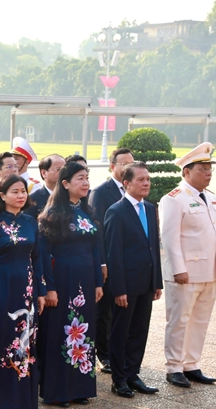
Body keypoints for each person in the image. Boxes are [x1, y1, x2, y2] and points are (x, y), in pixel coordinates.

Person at [0, 174, 46, 409]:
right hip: (2, 287)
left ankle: (23, 401)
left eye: (23, 191)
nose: (20, 196)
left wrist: (40, 291)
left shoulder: (31, 222)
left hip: (27, 288)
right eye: (15, 191)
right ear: (2, 195)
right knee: (4, 340)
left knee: (26, 341)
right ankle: (3, 401)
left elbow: (37, 258)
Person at [159, 142, 216, 388]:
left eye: (210, 169)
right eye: (202, 168)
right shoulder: (174, 199)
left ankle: (192, 364)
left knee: (200, 320)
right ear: (187, 172)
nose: (208, 173)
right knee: (179, 320)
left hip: (209, 270)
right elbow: (169, 237)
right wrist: (178, 269)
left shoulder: (211, 197)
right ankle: (174, 366)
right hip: (185, 272)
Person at [38, 162, 103, 407]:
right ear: (65, 184)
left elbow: (96, 249)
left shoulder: (88, 213)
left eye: (87, 178)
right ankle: (58, 392)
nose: (86, 183)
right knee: (60, 332)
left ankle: (80, 387)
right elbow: (44, 254)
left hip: (85, 281)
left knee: (84, 332)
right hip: (63, 280)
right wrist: (49, 288)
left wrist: (98, 282)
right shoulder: (52, 215)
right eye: (80, 178)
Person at [104, 162, 162, 398]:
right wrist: (118, 289)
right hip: (125, 285)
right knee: (121, 331)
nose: (146, 183)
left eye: (147, 179)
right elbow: (113, 253)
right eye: (140, 180)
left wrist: (156, 281)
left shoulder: (149, 208)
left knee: (140, 330)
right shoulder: (116, 211)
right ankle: (119, 379)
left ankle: (132, 373)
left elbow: (153, 247)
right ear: (126, 183)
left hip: (146, 283)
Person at [91, 148, 135, 375]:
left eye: (131, 162)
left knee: (124, 308)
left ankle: (120, 352)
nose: (128, 166)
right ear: (112, 167)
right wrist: (102, 262)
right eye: (123, 163)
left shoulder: (135, 190)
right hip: (108, 260)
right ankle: (103, 354)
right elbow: (97, 231)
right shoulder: (101, 192)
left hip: (128, 261)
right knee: (105, 309)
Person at [25, 154, 64, 219]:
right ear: (44, 173)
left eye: (64, 170)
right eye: (58, 169)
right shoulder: (33, 199)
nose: (63, 173)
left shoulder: (72, 196)